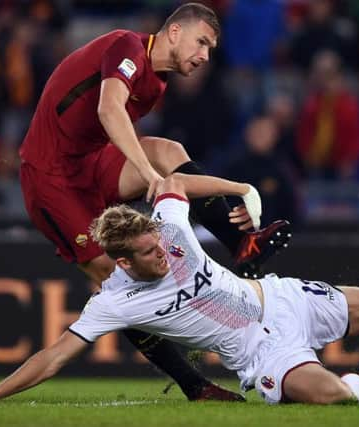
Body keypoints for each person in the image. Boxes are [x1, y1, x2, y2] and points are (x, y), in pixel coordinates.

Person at [0, 175, 359, 404]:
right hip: (258, 351)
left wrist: (239, 188)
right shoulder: (113, 301)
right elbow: (51, 357)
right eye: (145, 253)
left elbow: (171, 181)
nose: (160, 250)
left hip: (282, 299)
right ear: (120, 260)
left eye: (158, 241)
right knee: (332, 396)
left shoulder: (167, 228)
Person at [18, 3, 292, 401]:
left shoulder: (157, 83)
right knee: (114, 277)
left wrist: (173, 179)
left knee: (168, 151)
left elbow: (114, 133)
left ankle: (241, 246)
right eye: (201, 43)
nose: (204, 57)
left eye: (211, 50)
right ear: (175, 32)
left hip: (91, 162)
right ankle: (194, 384)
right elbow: (108, 109)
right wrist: (149, 177)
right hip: (51, 178)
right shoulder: (126, 46)